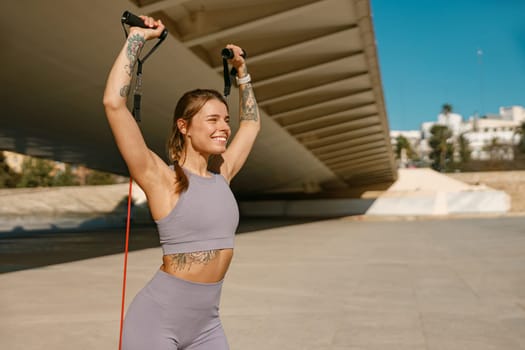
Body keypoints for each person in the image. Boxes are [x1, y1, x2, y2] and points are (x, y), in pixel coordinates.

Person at [103, 15, 260, 350]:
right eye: (213, 119)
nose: (224, 127)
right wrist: (137, 38)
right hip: (156, 323)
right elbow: (113, 104)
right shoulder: (162, 178)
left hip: (207, 325)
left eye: (225, 120)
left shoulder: (223, 173)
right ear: (185, 126)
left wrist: (242, 71)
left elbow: (251, 124)